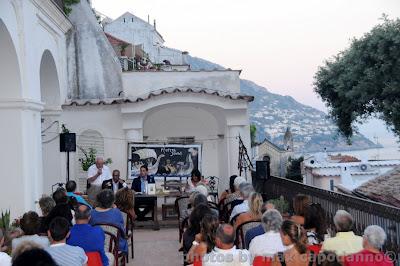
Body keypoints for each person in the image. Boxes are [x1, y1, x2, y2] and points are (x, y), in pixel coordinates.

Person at [89, 189, 128, 254]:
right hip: (115, 245)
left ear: (98, 200)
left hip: (95, 244)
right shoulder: (117, 212)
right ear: (113, 201)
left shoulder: (91, 213)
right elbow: (122, 229)